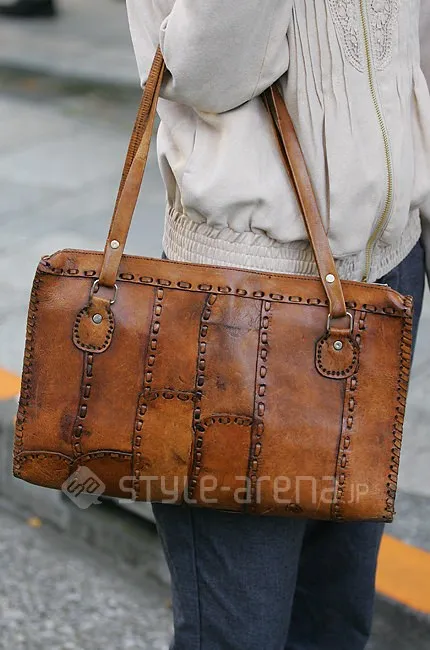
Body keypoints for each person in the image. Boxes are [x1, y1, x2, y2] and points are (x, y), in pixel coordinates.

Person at [126, 2, 430, 648]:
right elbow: (211, 73)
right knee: (239, 631)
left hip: (387, 278)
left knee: (336, 619)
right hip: (245, 303)